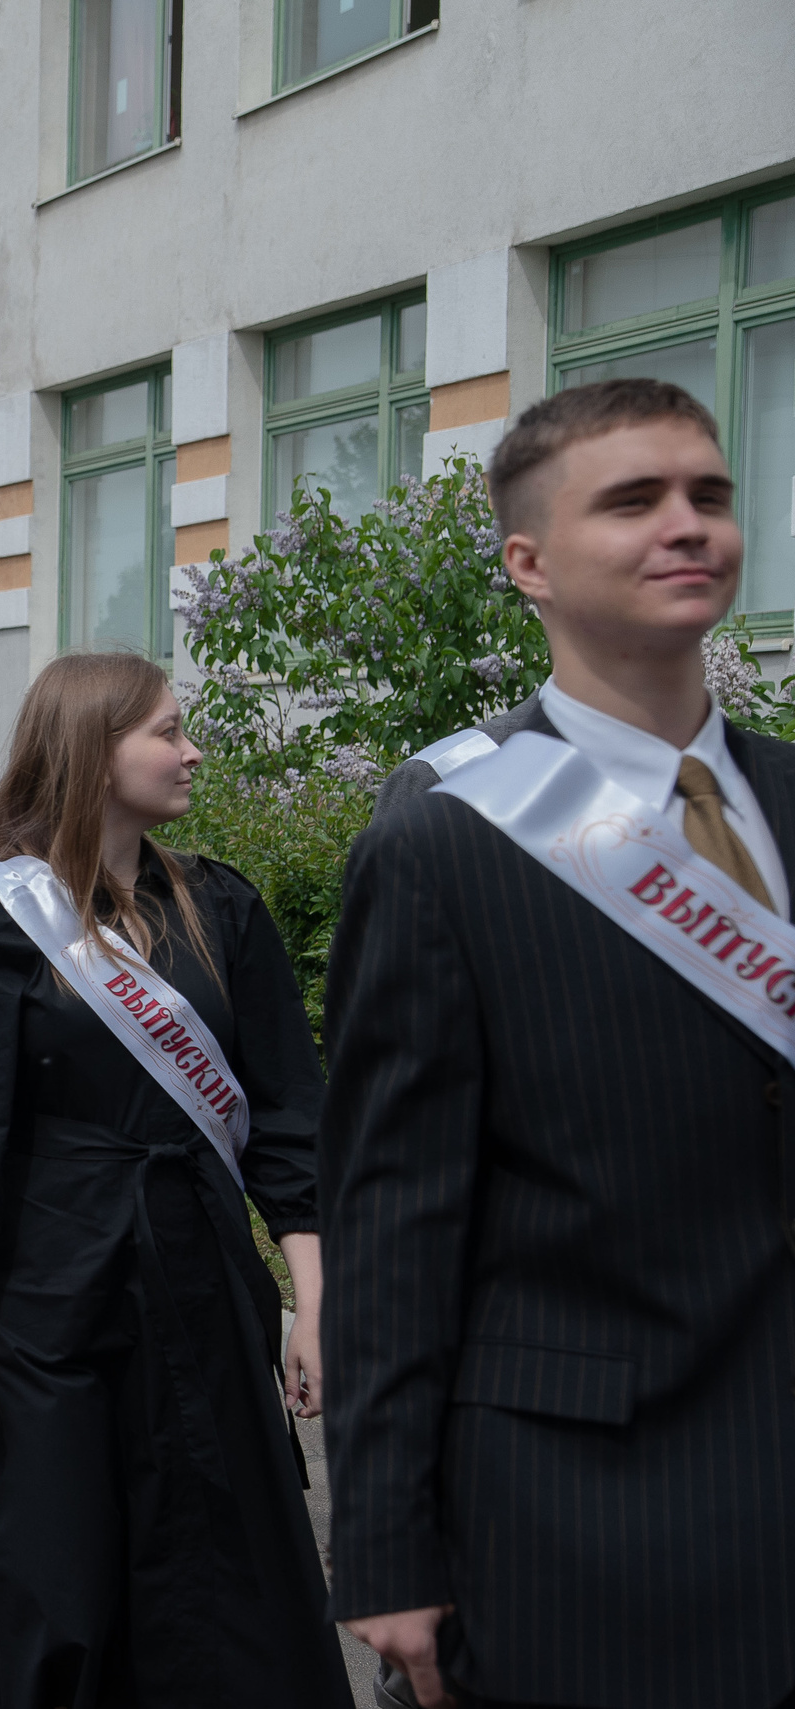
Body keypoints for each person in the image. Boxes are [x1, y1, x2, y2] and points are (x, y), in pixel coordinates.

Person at [325, 379, 795, 1709]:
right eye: (634, 500)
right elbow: (393, 1220)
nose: (687, 524)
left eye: (708, 494)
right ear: (527, 561)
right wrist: (387, 1544)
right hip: (581, 1523)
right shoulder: (443, 836)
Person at [0, 650, 347, 1708]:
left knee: (220, 1566)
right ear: (89, 749)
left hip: (202, 1281)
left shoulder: (220, 905)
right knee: (54, 1570)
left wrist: (310, 1294)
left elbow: (287, 1119)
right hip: (45, 1301)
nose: (192, 750)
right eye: (167, 731)